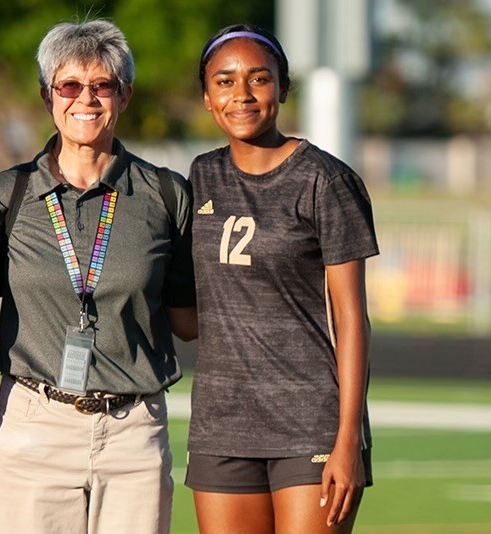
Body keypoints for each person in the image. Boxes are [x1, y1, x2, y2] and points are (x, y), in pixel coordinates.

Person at [0, 19, 196, 534]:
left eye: (102, 85)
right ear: (47, 96)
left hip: (134, 431)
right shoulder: (4, 196)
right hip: (35, 425)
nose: (86, 99)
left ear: (125, 95)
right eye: (69, 85)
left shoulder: (167, 195)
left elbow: (189, 320)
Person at [184, 24, 377, 533]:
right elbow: (185, 309)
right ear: (207, 97)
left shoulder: (326, 180)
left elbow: (352, 319)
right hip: (220, 426)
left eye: (259, 79)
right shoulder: (200, 176)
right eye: (224, 82)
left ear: (283, 89)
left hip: (309, 425)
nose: (241, 94)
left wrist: (348, 440)